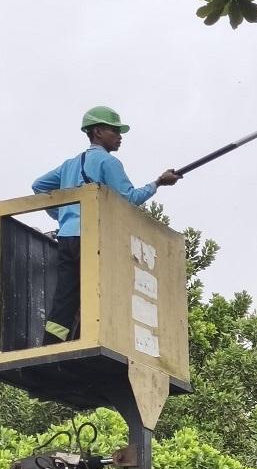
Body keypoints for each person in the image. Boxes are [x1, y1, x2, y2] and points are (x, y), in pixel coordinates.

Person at [32, 106, 181, 345]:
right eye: (115, 131)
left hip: (68, 238)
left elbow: (39, 186)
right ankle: (95, 341)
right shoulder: (108, 162)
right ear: (98, 131)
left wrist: (62, 215)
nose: (120, 137)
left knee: (66, 295)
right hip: (93, 237)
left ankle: (51, 344)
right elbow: (130, 198)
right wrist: (158, 183)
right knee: (99, 289)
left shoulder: (70, 164)